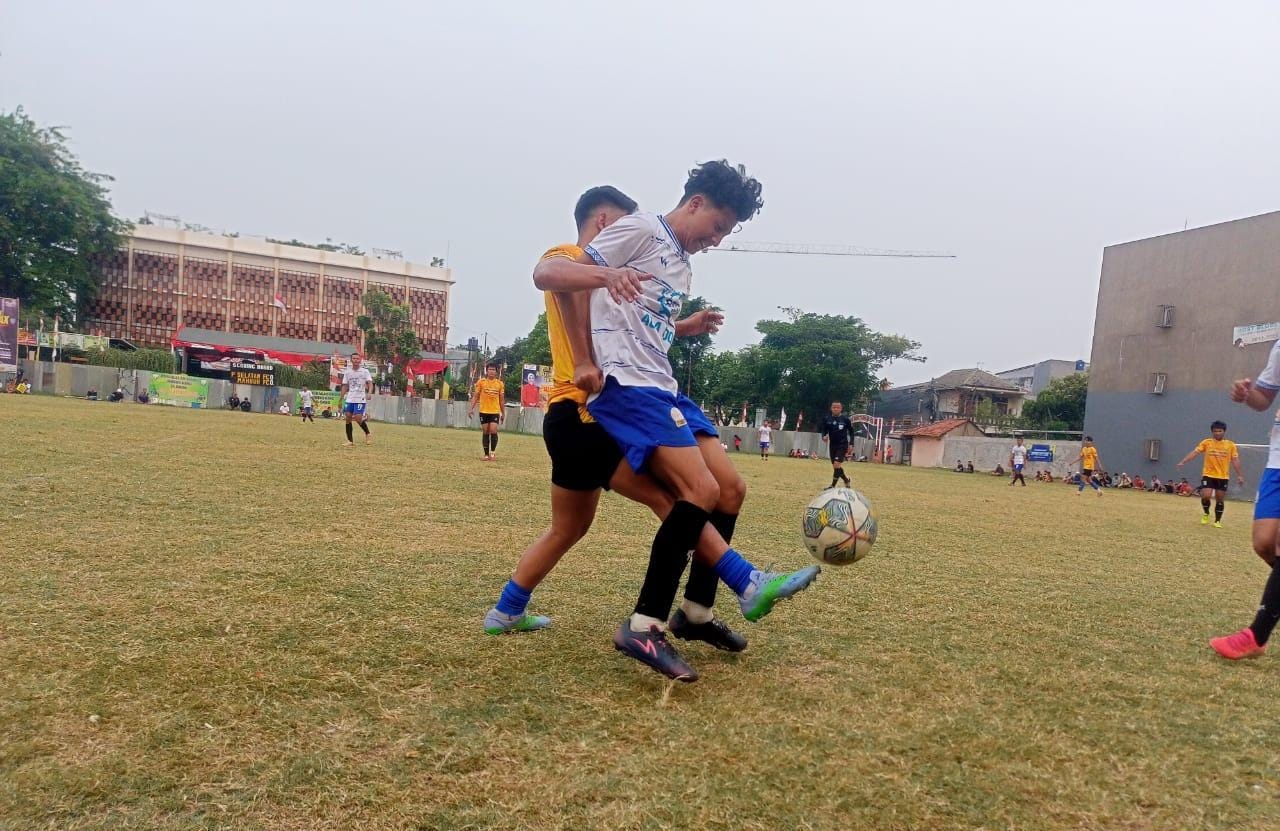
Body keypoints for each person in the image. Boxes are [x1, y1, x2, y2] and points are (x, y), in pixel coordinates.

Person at [484, 181, 816, 682]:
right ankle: (724, 590)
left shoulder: (664, 263)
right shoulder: (579, 255)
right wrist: (584, 360)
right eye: (719, 228)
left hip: (607, 406)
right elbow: (553, 279)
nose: (720, 240)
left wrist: (684, 326)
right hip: (586, 412)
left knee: (574, 526)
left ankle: (506, 611)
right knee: (679, 498)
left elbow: (638, 322)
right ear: (605, 224)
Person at [1209, 341, 1280, 659]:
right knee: (1264, 544)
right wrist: (1245, 394)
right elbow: (1264, 397)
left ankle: (1256, 635)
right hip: (1278, 460)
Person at [1176, 420, 1245, 527]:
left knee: (1219, 499)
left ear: (1224, 431)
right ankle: (1206, 513)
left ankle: (1217, 521)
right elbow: (1195, 452)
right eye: (1215, 431)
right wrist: (1183, 462)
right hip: (1208, 475)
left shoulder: (1230, 445)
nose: (1217, 433)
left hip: (1223, 476)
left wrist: (1240, 475)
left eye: (1220, 431)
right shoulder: (1207, 443)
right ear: (1212, 432)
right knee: (1206, 496)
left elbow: (1235, 460)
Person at [469, 364, 505, 460]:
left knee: (493, 430)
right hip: (483, 411)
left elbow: (501, 400)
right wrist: (471, 409)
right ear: (487, 371)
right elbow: (476, 396)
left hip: (495, 411)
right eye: (490, 369)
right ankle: (486, 454)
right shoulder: (481, 382)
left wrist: (503, 413)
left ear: (496, 372)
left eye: (493, 369)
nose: (491, 371)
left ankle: (492, 453)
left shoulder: (500, 384)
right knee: (485, 431)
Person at [341, 354, 374, 447]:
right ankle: (350, 441)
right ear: (351, 360)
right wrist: (340, 399)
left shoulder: (365, 371)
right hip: (350, 398)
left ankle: (367, 433)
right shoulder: (347, 372)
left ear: (360, 360)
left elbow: (370, 383)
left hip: (360, 398)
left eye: (357, 359)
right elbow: (345, 386)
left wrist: (370, 392)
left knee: (358, 418)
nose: (356, 360)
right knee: (347, 417)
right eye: (354, 358)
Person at [819, 402, 854, 488]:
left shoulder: (845, 419)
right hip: (832, 445)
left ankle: (833, 485)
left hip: (842, 444)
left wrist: (851, 443)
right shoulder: (827, 419)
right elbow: (824, 429)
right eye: (834, 407)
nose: (836, 409)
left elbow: (852, 432)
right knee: (836, 467)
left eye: (838, 407)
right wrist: (824, 436)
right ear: (831, 408)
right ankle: (846, 480)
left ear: (841, 408)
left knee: (836, 465)